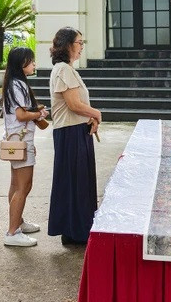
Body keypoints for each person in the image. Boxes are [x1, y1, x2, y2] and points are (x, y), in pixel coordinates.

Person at [47, 27, 102, 245]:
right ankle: (76, 231)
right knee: (74, 182)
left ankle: (75, 229)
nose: (81, 47)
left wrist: (91, 117)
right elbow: (74, 104)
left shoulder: (67, 69)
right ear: (68, 45)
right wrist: (96, 113)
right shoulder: (63, 70)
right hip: (70, 132)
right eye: (79, 43)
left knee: (78, 181)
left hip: (76, 129)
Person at [1, 47, 48, 247]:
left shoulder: (12, 83)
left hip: (16, 140)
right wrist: (39, 115)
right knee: (24, 186)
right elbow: (21, 115)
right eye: (31, 61)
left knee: (15, 184)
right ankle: (13, 232)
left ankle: (17, 222)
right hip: (21, 140)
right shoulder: (17, 85)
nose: (34, 64)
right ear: (22, 64)